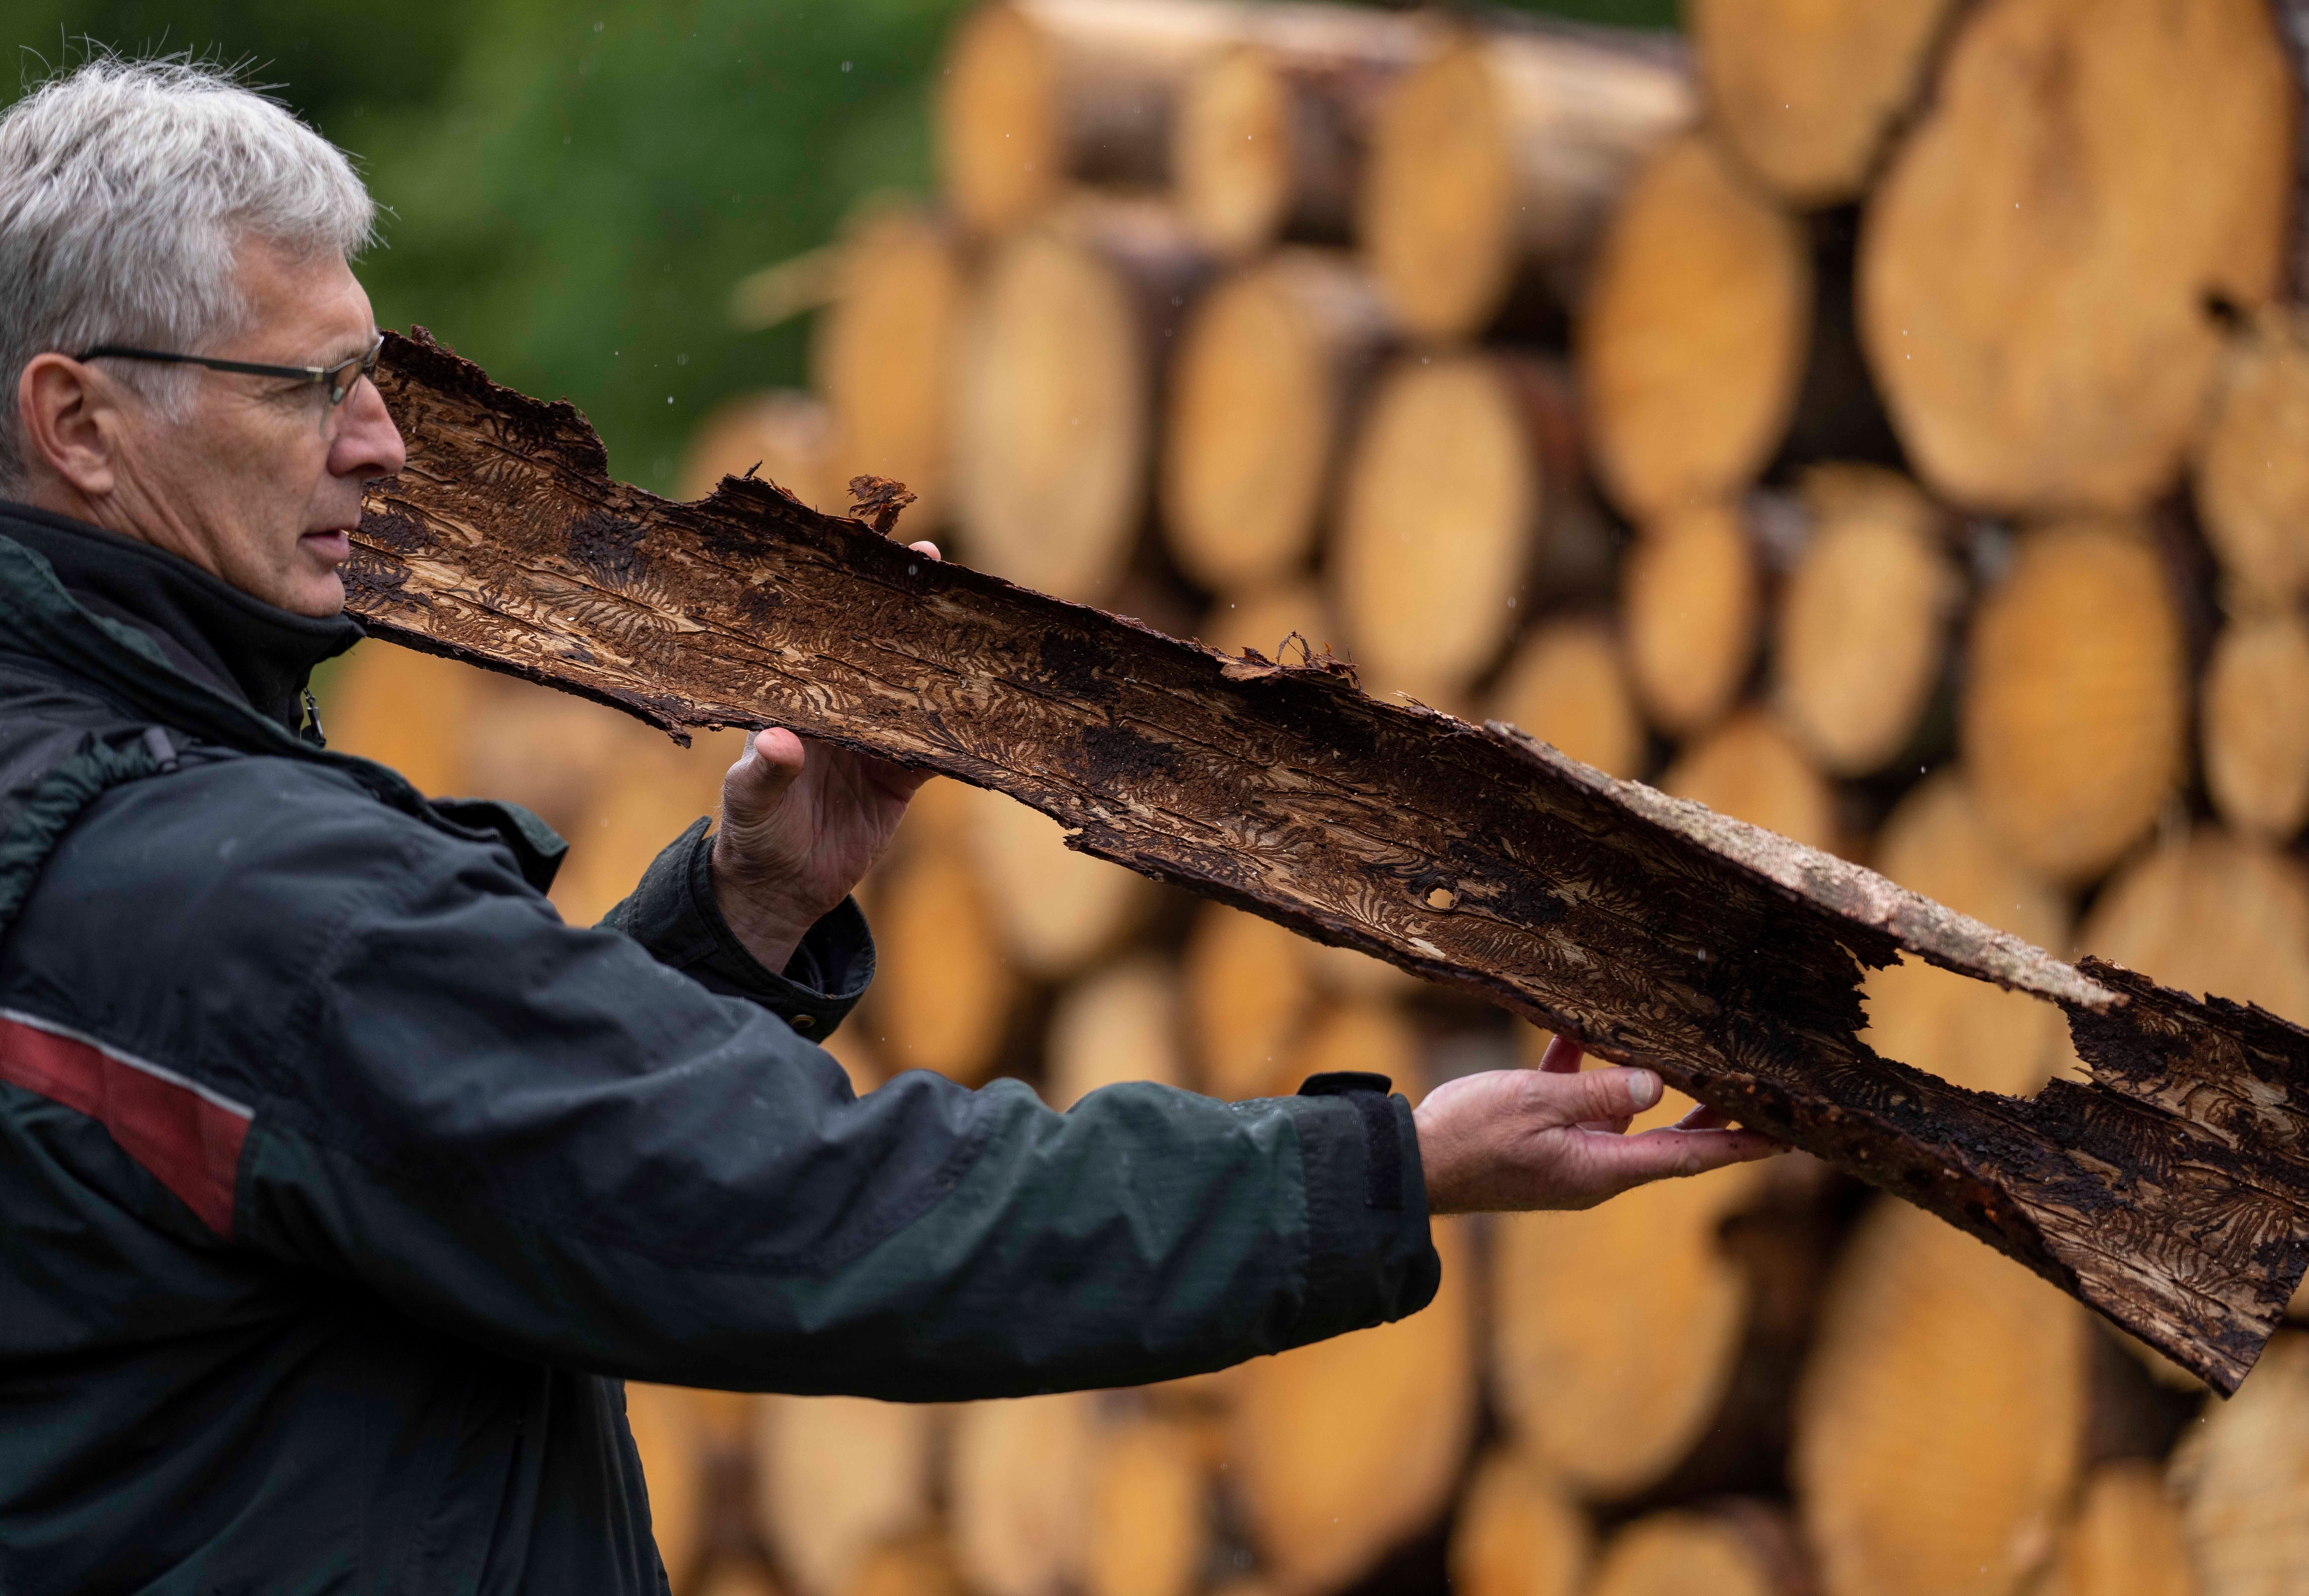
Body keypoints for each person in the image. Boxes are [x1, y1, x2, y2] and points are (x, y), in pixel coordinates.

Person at [0, 58, 1776, 1592]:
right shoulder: (215, 890)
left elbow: (418, 1149)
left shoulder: (85, 822)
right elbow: (790, 1210)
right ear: (78, 421)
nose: (386, 445)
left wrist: (741, 922)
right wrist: (1388, 1167)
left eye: (370, 374)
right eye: (308, 386)